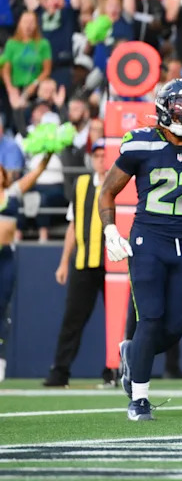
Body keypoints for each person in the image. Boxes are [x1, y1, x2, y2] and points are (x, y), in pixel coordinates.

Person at [99, 79, 182, 421]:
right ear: (163, 107)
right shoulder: (141, 144)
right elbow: (107, 192)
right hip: (148, 241)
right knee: (151, 319)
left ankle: (132, 354)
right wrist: (110, 229)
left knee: (177, 326)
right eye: (179, 104)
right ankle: (138, 399)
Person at [43, 140, 113, 388]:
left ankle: (114, 371)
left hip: (113, 263)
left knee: (117, 320)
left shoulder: (120, 183)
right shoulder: (82, 184)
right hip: (84, 261)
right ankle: (60, 371)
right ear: (91, 158)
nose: (101, 159)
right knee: (73, 319)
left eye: (105, 155)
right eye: (97, 155)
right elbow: (73, 225)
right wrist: (64, 262)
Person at [0, 151, 53, 383]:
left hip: (6, 258)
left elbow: (37, 172)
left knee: (2, 308)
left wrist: (47, 156)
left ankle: (0, 360)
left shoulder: (13, 192)